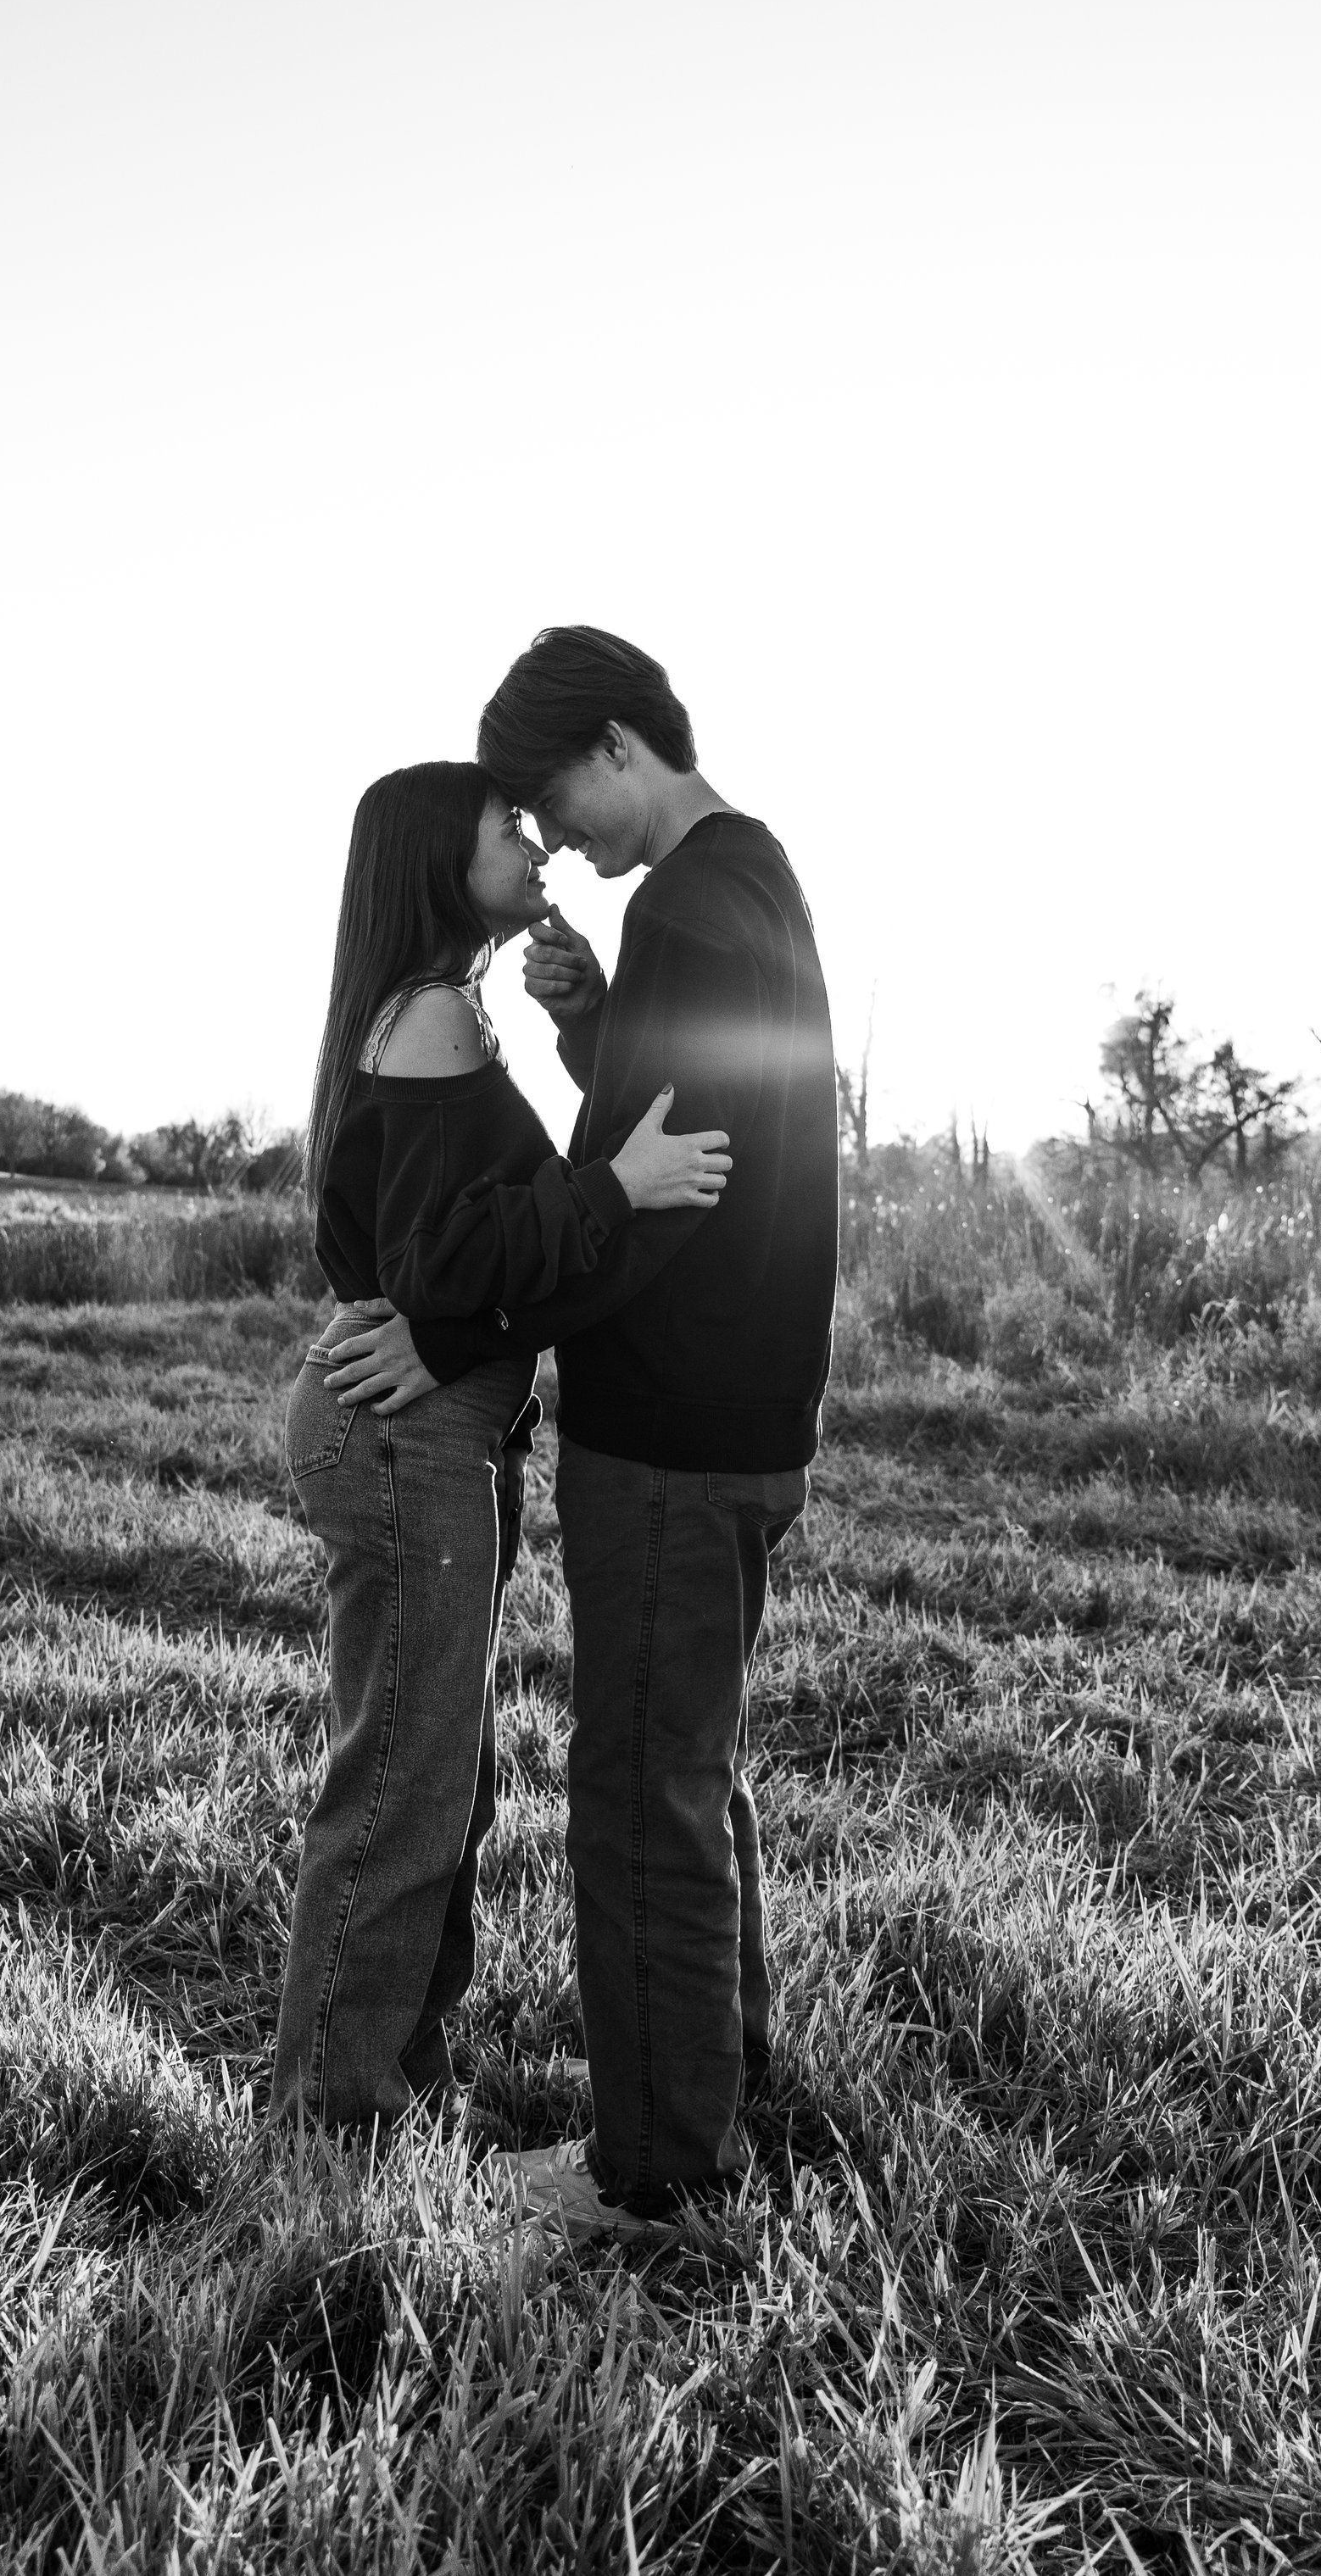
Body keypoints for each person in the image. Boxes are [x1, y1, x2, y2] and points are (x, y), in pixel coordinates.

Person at [271, 759, 733, 2134]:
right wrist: (620, 1187)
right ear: (441, 862)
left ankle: (396, 2087)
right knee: (405, 1782)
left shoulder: (440, 1008)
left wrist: (588, 1027)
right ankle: (329, 2122)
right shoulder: (430, 1017)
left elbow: (454, 1252)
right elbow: (446, 1258)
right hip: (401, 1426)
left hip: (435, 1415)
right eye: (508, 828)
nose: (537, 846)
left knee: (444, 1777)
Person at [476, 625, 839, 2249]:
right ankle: (719, 2086)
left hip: (673, 1424)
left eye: (555, 796)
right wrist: (594, 1020)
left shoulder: (690, 901)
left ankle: (658, 2174)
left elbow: (658, 1187)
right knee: (690, 1769)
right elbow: (687, 1124)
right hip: (747, 1411)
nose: (554, 836)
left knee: (636, 1791)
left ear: (619, 742)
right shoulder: (745, 877)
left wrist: (501, 1303)